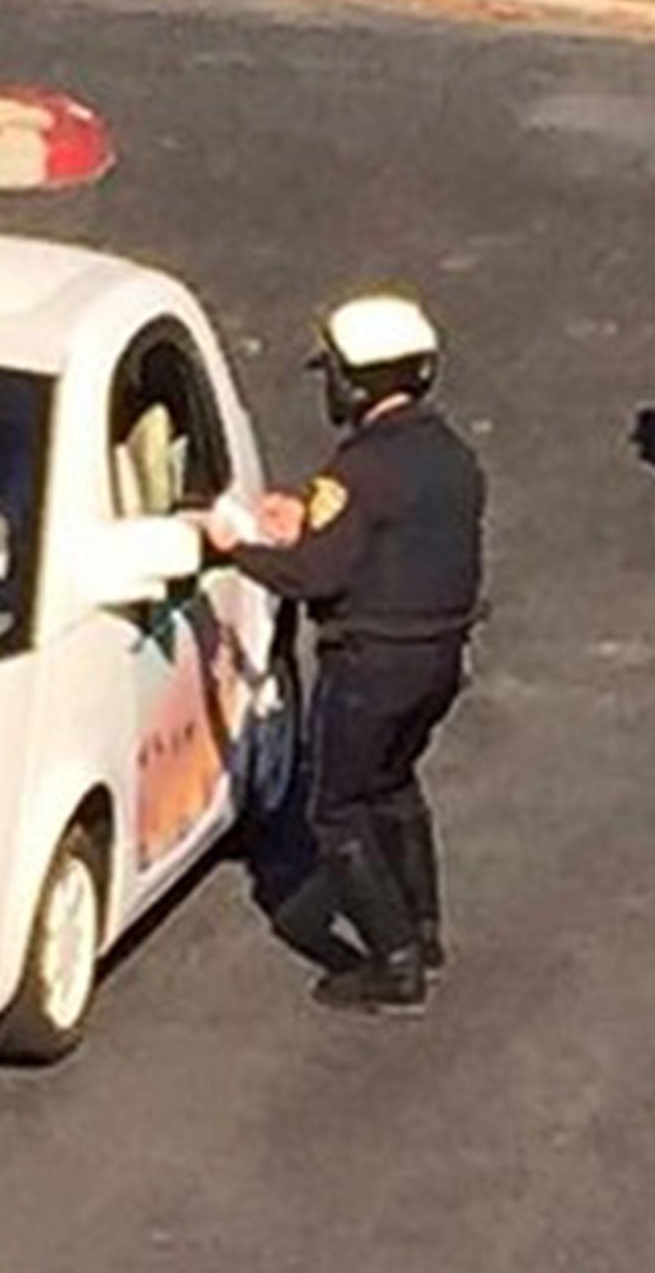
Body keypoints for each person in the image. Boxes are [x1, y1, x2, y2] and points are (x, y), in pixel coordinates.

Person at [201, 293, 485, 1015]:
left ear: (355, 383)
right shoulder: (449, 455)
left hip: (370, 665)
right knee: (393, 784)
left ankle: (391, 963)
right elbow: (388, 539)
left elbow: (317, 575)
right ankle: (423, 928)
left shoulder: (357, 470)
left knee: (337, 807)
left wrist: (237, 549)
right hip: (438, 660)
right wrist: (307, 521)